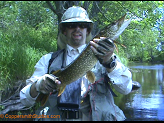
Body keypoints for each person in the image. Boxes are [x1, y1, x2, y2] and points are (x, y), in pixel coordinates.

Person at [20, 6, 132, 121]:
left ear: (87, 30)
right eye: (71, 25)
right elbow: (24, 99)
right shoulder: (48, 60)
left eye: (82, 25)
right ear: (64, 30)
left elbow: (126, 89)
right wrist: (37, 85)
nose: (77, 29)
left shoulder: (109, 58)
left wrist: (109, 63)